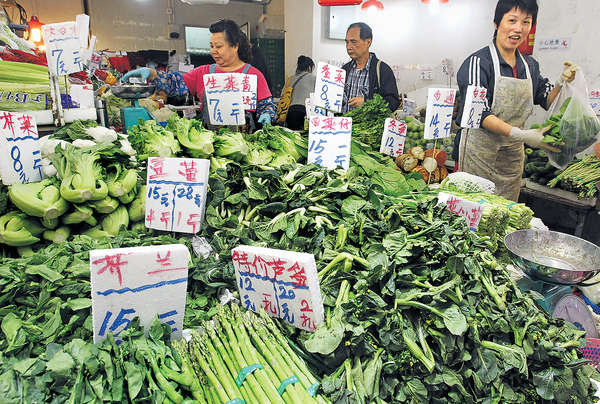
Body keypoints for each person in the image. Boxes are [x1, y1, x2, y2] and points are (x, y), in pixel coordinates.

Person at [456, 0, 577, 201]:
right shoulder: (479, 63)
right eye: (512, 20)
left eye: (526, 22)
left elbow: (546, 99)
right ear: (497, 24)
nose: (518, 29)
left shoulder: (530, 66)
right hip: (479, 154)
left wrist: (561, 82)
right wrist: (520, 134)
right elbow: (478, 113)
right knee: (474, 210)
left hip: (511, 158)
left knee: (507, 212)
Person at [121, 19, 275, 127]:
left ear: (235, 46)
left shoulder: (253, 75)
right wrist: (152, 73)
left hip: (244, 144)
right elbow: (174, 84)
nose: (213, 51)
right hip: (210, 143)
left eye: (219, 46)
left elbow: (266, 105)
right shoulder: (203, 73)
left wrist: (267, 114)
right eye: (211, 46)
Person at [341, 22, 400, 114]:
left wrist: (367, 103)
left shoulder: (382, 70)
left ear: (368, 42)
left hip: (367, 127)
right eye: (347, 42)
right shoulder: (344, 70)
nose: (348, 47)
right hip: (343, 126)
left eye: (353, 42)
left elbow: (393, 102)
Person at [285, 56, 316, 130]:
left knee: (293, 137)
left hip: (290, 112)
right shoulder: (314, 78)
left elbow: (283, 95)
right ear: (309, 67)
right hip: (305, 112)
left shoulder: (290, 79)